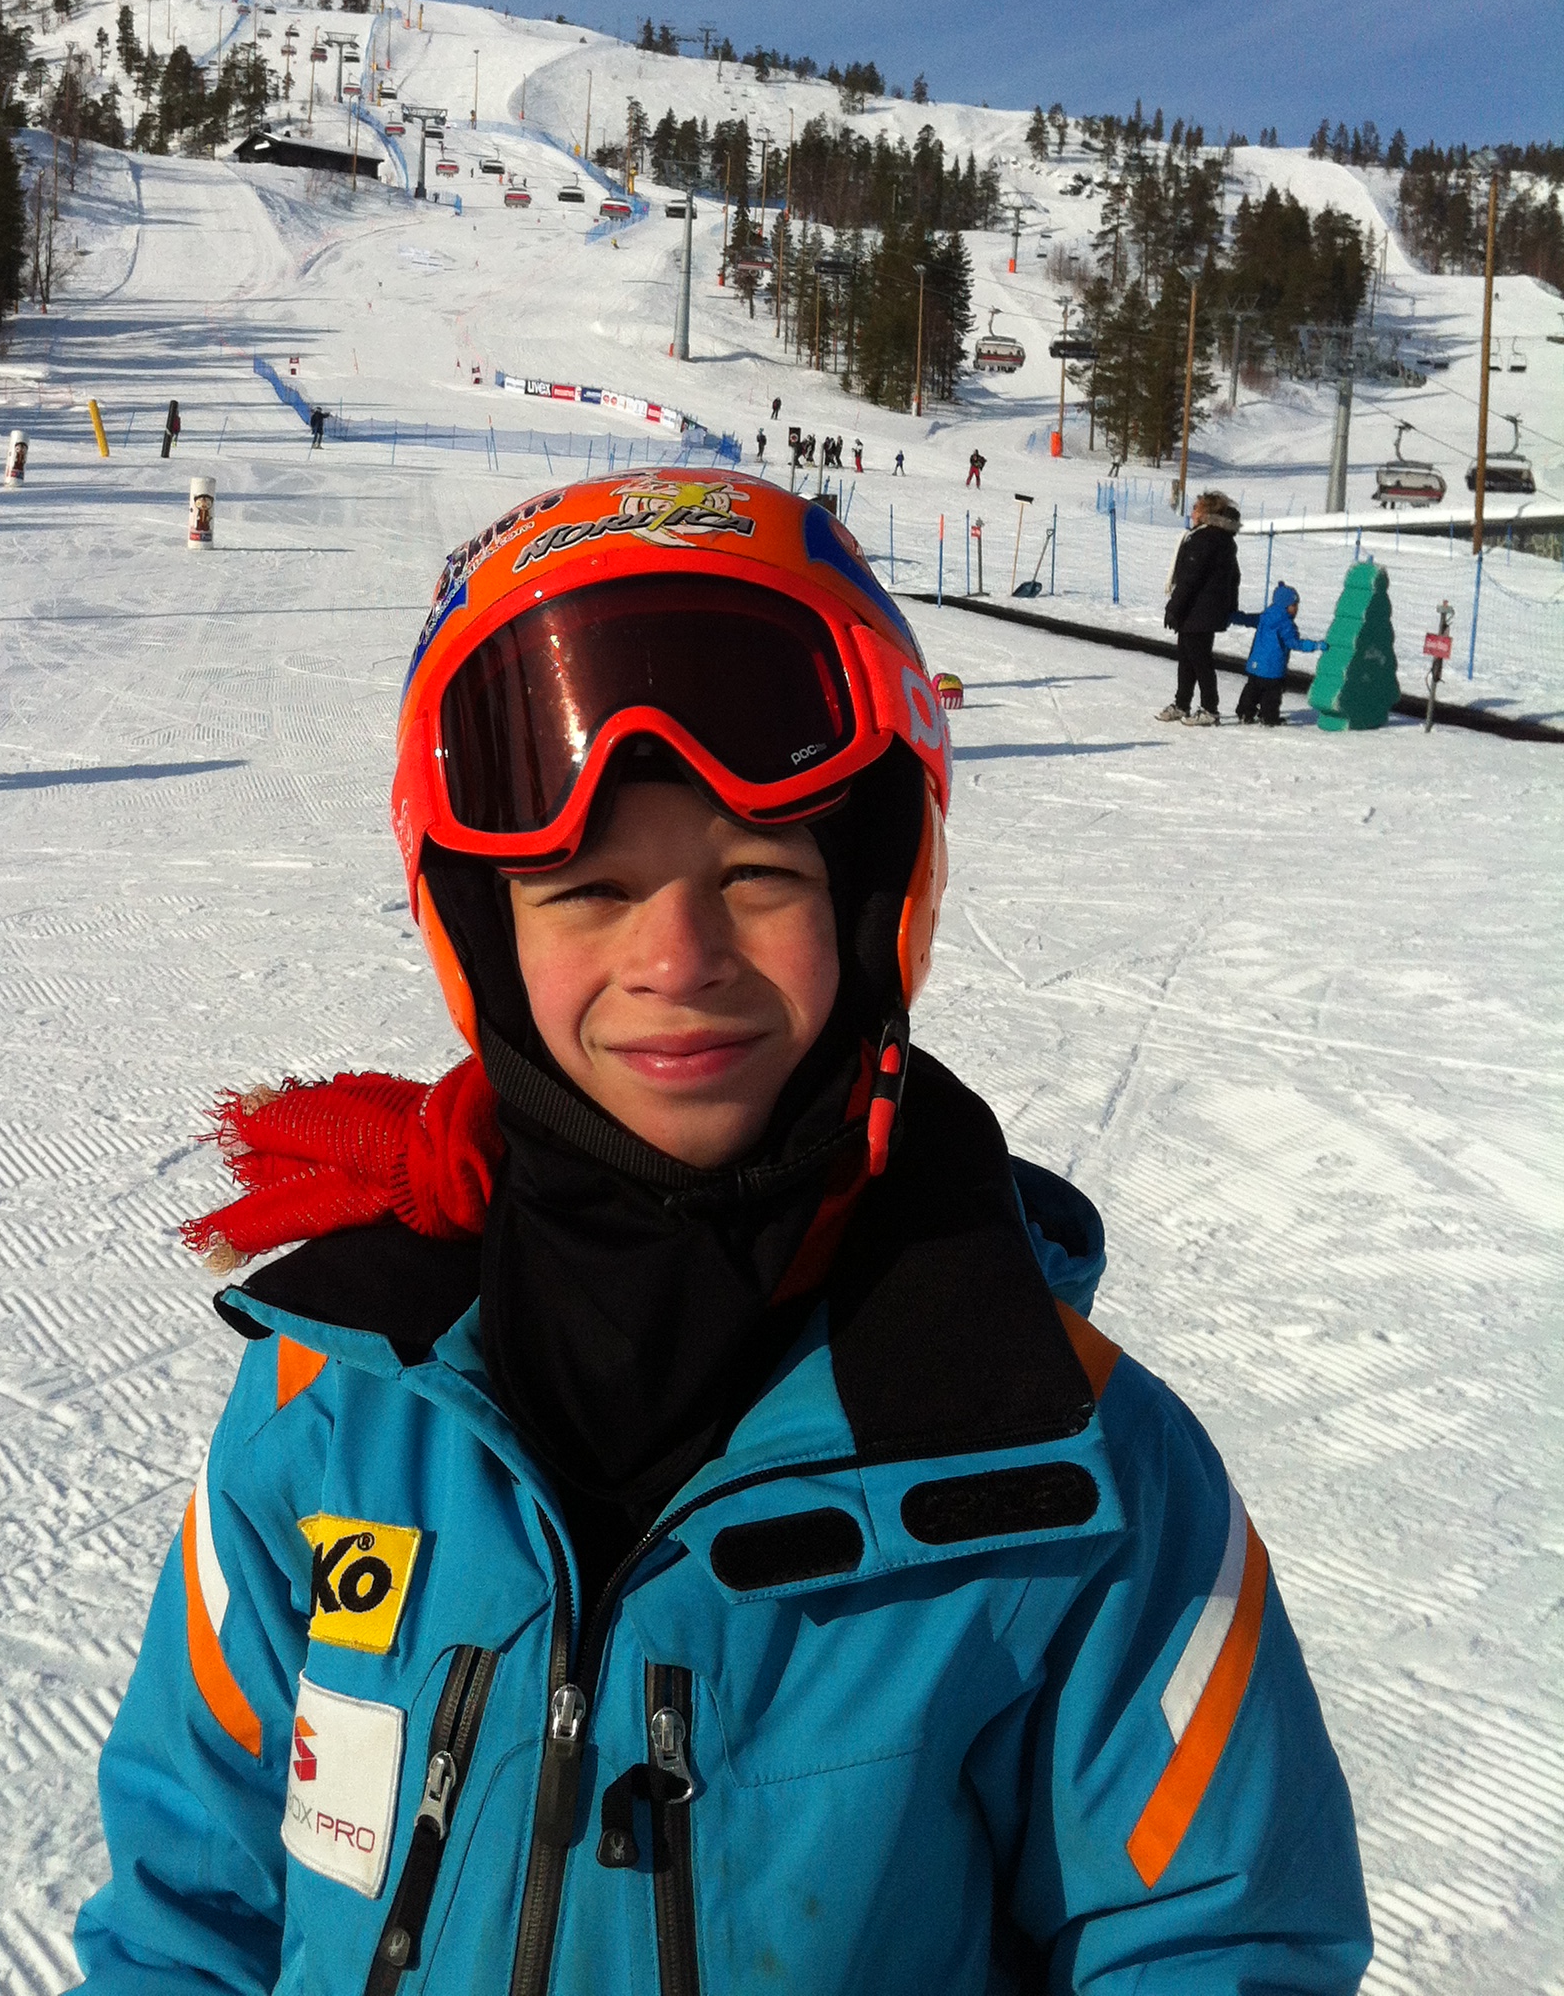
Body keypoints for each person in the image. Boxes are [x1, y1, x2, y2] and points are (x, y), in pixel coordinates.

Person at [75, 470, 1370, 1995]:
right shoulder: (338, 1399)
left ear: (877, 903)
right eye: (587, 891)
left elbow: (1214, 1946)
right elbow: (188, 1911)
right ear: (483, 937)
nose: (676, 958)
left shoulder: (1069, 1466)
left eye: (756, 875)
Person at [1157, 490, 1246, 724]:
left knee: (1199, 660)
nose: (1192, 512)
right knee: (1188, 659)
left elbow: (1190, 578)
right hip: (1204, 610)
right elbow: (1234, 577)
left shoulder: (1205, 539)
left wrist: (1174, 607)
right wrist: (1229, 606)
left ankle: (1210, 709)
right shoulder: (1222, 539)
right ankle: (1182, 704)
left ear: (1206, 513)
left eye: (1196, 508)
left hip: (1198, 610)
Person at [1234, 582, 1324, 726]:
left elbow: (1249, 620)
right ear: (1285, 606)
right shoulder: (1286, 624)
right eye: (1294, 605)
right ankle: (1269, 718)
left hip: (1256, 665)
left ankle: (1245, 712)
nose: (1296, 609)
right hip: (1273, 668)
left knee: (1252, 690)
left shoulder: (1265, 616)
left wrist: (1234, 617)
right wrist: (1315, 645)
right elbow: (1294, 643)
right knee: (1271, 696)